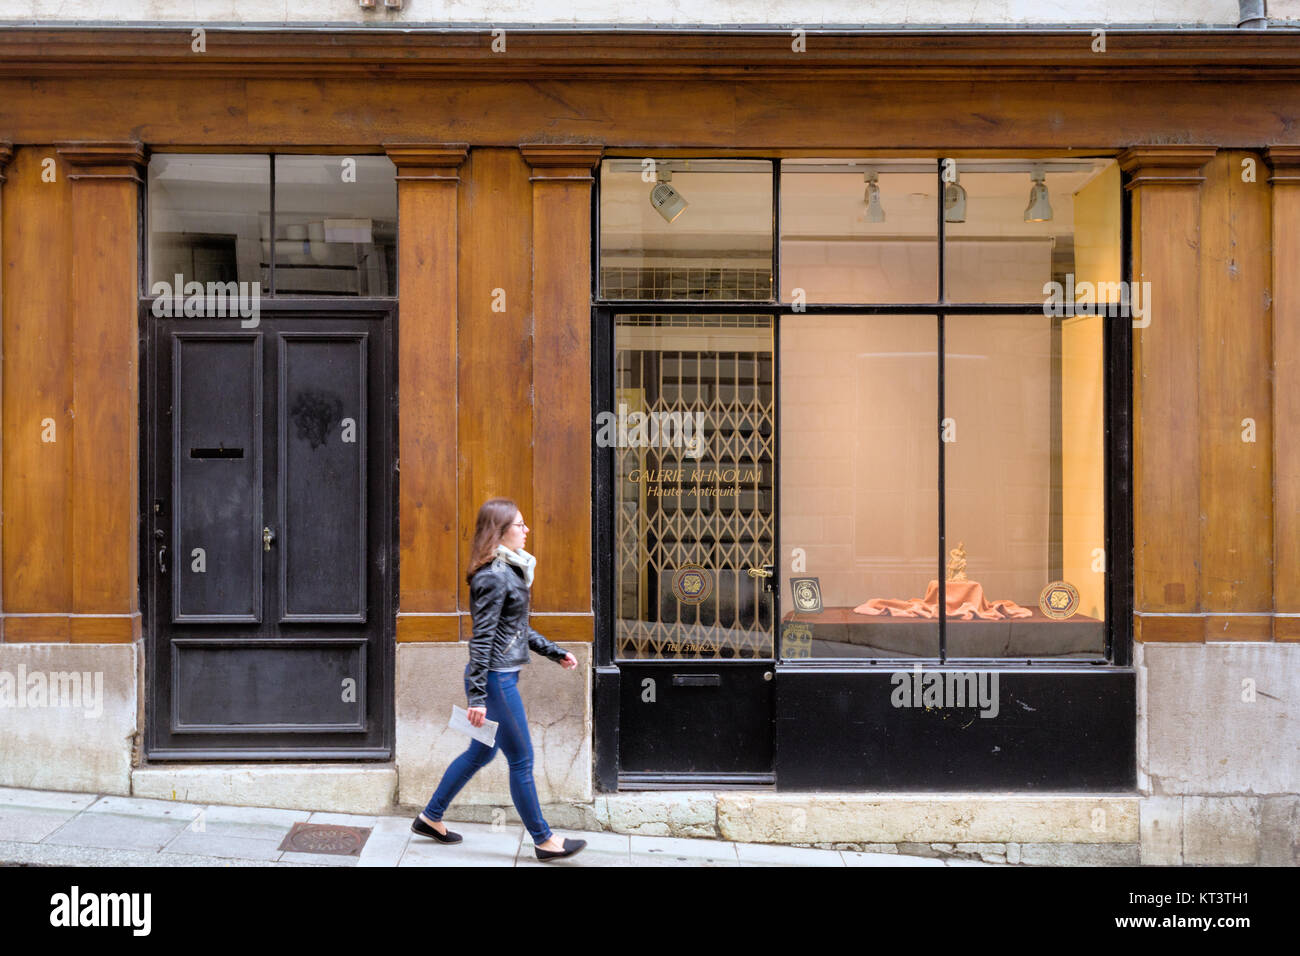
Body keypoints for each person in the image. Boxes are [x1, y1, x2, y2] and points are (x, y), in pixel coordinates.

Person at [412, 496, 587, 861]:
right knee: (521, 759)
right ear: (500, 532)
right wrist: (477, 697)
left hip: (500, 677)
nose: (527, 530)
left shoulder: (510, 570)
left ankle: (431, 817)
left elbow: (516, 628)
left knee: (481, 752)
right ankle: (544, 840)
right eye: (519, 525)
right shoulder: (493, 576)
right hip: (495, 682)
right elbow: (483, 639)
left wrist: (555, 652)